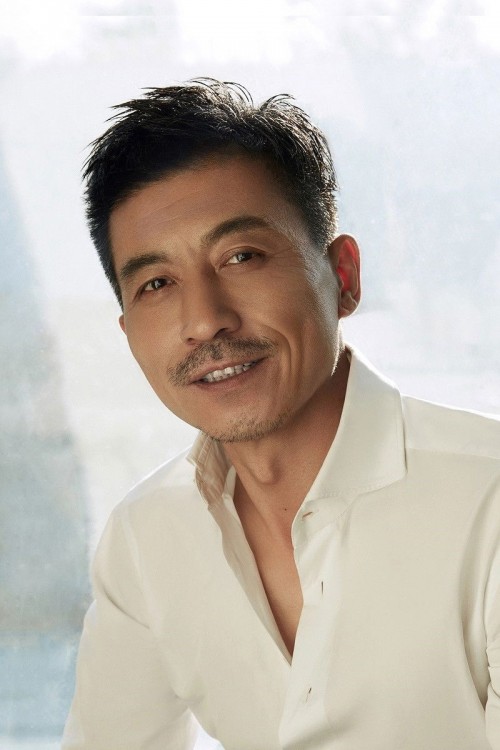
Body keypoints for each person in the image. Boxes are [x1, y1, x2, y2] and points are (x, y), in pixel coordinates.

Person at [63, 79, 500, 750]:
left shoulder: (486, 500)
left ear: (343, 276)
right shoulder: (146, 539)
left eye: (241, 257)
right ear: (128, 334)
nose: (205, 319)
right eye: (157, 284)